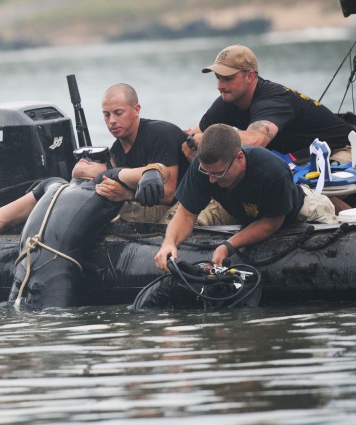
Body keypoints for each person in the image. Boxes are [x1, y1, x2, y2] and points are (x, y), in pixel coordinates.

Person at [0, 146, 167, 309]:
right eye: (81, 155)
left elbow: (150, 170)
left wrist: (151, 174)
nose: (85, 157)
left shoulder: (106, 184)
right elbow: (0, 217)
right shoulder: (51, 186)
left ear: (110, 167)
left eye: (95, 157)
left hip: (56, 289)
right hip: (20, 286)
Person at [155, 124, 338, 273]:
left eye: (218, 173)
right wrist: (169, 243)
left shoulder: (272, 171)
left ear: (240, 158)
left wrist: (228, 245)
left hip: (301, 209)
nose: (211, 179)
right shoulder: (203, 168)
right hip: (243, 209)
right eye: (207, 173)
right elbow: (186, 214)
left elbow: (271, 223)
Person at [183, 44, 354, 164]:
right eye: (218, 78)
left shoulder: (272, 100)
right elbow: (193, 136)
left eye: (228, 78)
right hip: (301, 157)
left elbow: (256, 140)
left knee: (311, 188)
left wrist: (206, 139)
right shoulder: (228, 99)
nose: (220, 86)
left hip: (343, 149)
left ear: (250, 76)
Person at [98, 82, 235, 225]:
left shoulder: (160, 134)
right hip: (166, 204)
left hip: (207, 198)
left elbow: (169, 194)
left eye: (118, 113)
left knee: (168, 225)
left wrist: (126, 195)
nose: (112, 121)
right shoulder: (116, 150)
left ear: (136, 109)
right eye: (106, 115)